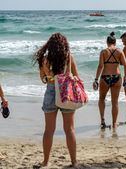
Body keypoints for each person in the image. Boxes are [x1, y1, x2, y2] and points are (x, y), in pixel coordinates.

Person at [34, 33, 79, 167]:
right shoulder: (68, 57)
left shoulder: (45, 59)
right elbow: (76, 76)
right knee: (69, 129)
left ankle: (46, 161)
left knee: (49, 130)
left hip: (51, 91)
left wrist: (50, 77)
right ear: (64, 44)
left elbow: (43, 78)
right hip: (66, 93)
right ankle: (74, 161)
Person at [93, 32, 126, 129]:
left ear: (107, 42)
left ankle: (102, 121)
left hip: (105, 77)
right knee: (115, 102)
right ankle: (114, 123)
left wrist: (96, 79)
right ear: (115, 42)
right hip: (117, 77)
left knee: (101, 99)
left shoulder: (104, 51)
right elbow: (125, 65)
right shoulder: (119, 51)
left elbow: (100, 66)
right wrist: (125, 76)